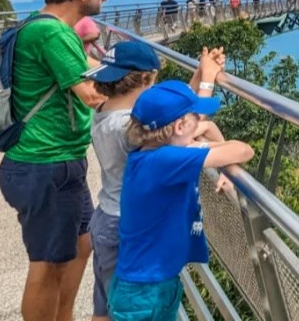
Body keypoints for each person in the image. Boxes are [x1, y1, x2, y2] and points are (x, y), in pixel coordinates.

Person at [0, 0, 111, 321]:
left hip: (57, 165)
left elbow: (89, 68)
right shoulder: (53, 33)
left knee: (81, 243)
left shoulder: (39, 24)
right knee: (46, 266)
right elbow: (93, 95)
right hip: (44, 164)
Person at [84, 42, 228, 321]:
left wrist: (200, 73)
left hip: (105, 218)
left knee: (104, 307)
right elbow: (183, 129)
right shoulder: (125, 128)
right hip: (127, 229)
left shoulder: (107, 111)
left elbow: (168, 117)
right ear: (148, 79)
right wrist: (208, 81)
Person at [108, 66, 254, 320]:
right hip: (146, 293)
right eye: (195, 116)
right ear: (179, 126)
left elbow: (206, 128)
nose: (200, 120)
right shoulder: (167, 160)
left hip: (148, 285)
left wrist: (207, 152)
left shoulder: (148, 151)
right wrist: (203, 147)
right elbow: (243, 150)